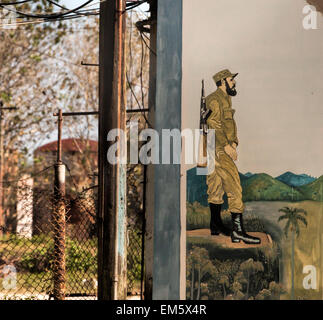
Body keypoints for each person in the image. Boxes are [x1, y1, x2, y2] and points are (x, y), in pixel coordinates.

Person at [205, 69, 260, 245]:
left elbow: (229, 125)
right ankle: (238, 232)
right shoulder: (215, 99)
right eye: (231, 80)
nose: (234, 82)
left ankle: (216, 225)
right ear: (222, 81)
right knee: (234, 185)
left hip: (219, 147)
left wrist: (234, 142)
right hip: (219, 148)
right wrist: (227, 146)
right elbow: (214, 124)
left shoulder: (225, 98)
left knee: (216, 185)